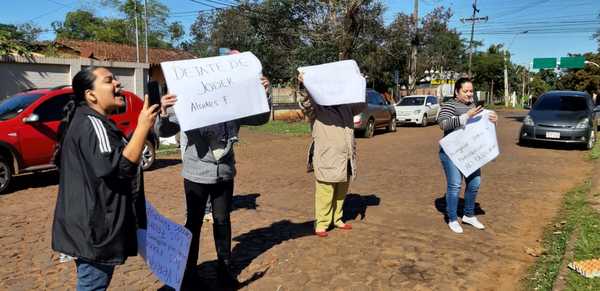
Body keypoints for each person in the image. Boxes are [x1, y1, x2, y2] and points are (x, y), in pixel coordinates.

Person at [155, 76, 272, 288]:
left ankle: (225, 270)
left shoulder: (232, 105)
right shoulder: (190, 103)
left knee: (222, 220)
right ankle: (189, 272)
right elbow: (164, 131)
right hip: (196, 174)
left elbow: (260, 119)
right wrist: (163, 111)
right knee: (193, 223)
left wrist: (263, 94)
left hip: (224, 173)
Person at [51, 67, 159, 290]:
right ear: (91, 95)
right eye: (109, 80)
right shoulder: (92, 123)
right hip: (93, 231)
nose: (118, 84)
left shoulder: (89, 120)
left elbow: (113, 158)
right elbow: (121, 168)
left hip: (89, 228)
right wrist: (142, 126)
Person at [298, 73, 367, 237]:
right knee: (325, 192)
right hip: (327, 156)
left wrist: (360, 84)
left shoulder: (346, 105)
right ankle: (321, 223)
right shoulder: (318, 107)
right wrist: (304, 86)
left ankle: (337, 218)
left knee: (341, 190)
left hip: (346, 156)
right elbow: (305, 104)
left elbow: (361, 105)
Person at [437, 77, 498, 234]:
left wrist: (493, 120)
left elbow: (481, 127)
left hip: (470, 153)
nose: (470, 94)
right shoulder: (449, 105)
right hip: (451, 153)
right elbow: (442, 123)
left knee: (475, 183)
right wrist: (466, 116)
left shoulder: (474, 106)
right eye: (466, 91)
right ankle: (452, 218)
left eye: (471, 91)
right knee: (455, 185)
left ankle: (469, 215)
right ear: (457, 92)